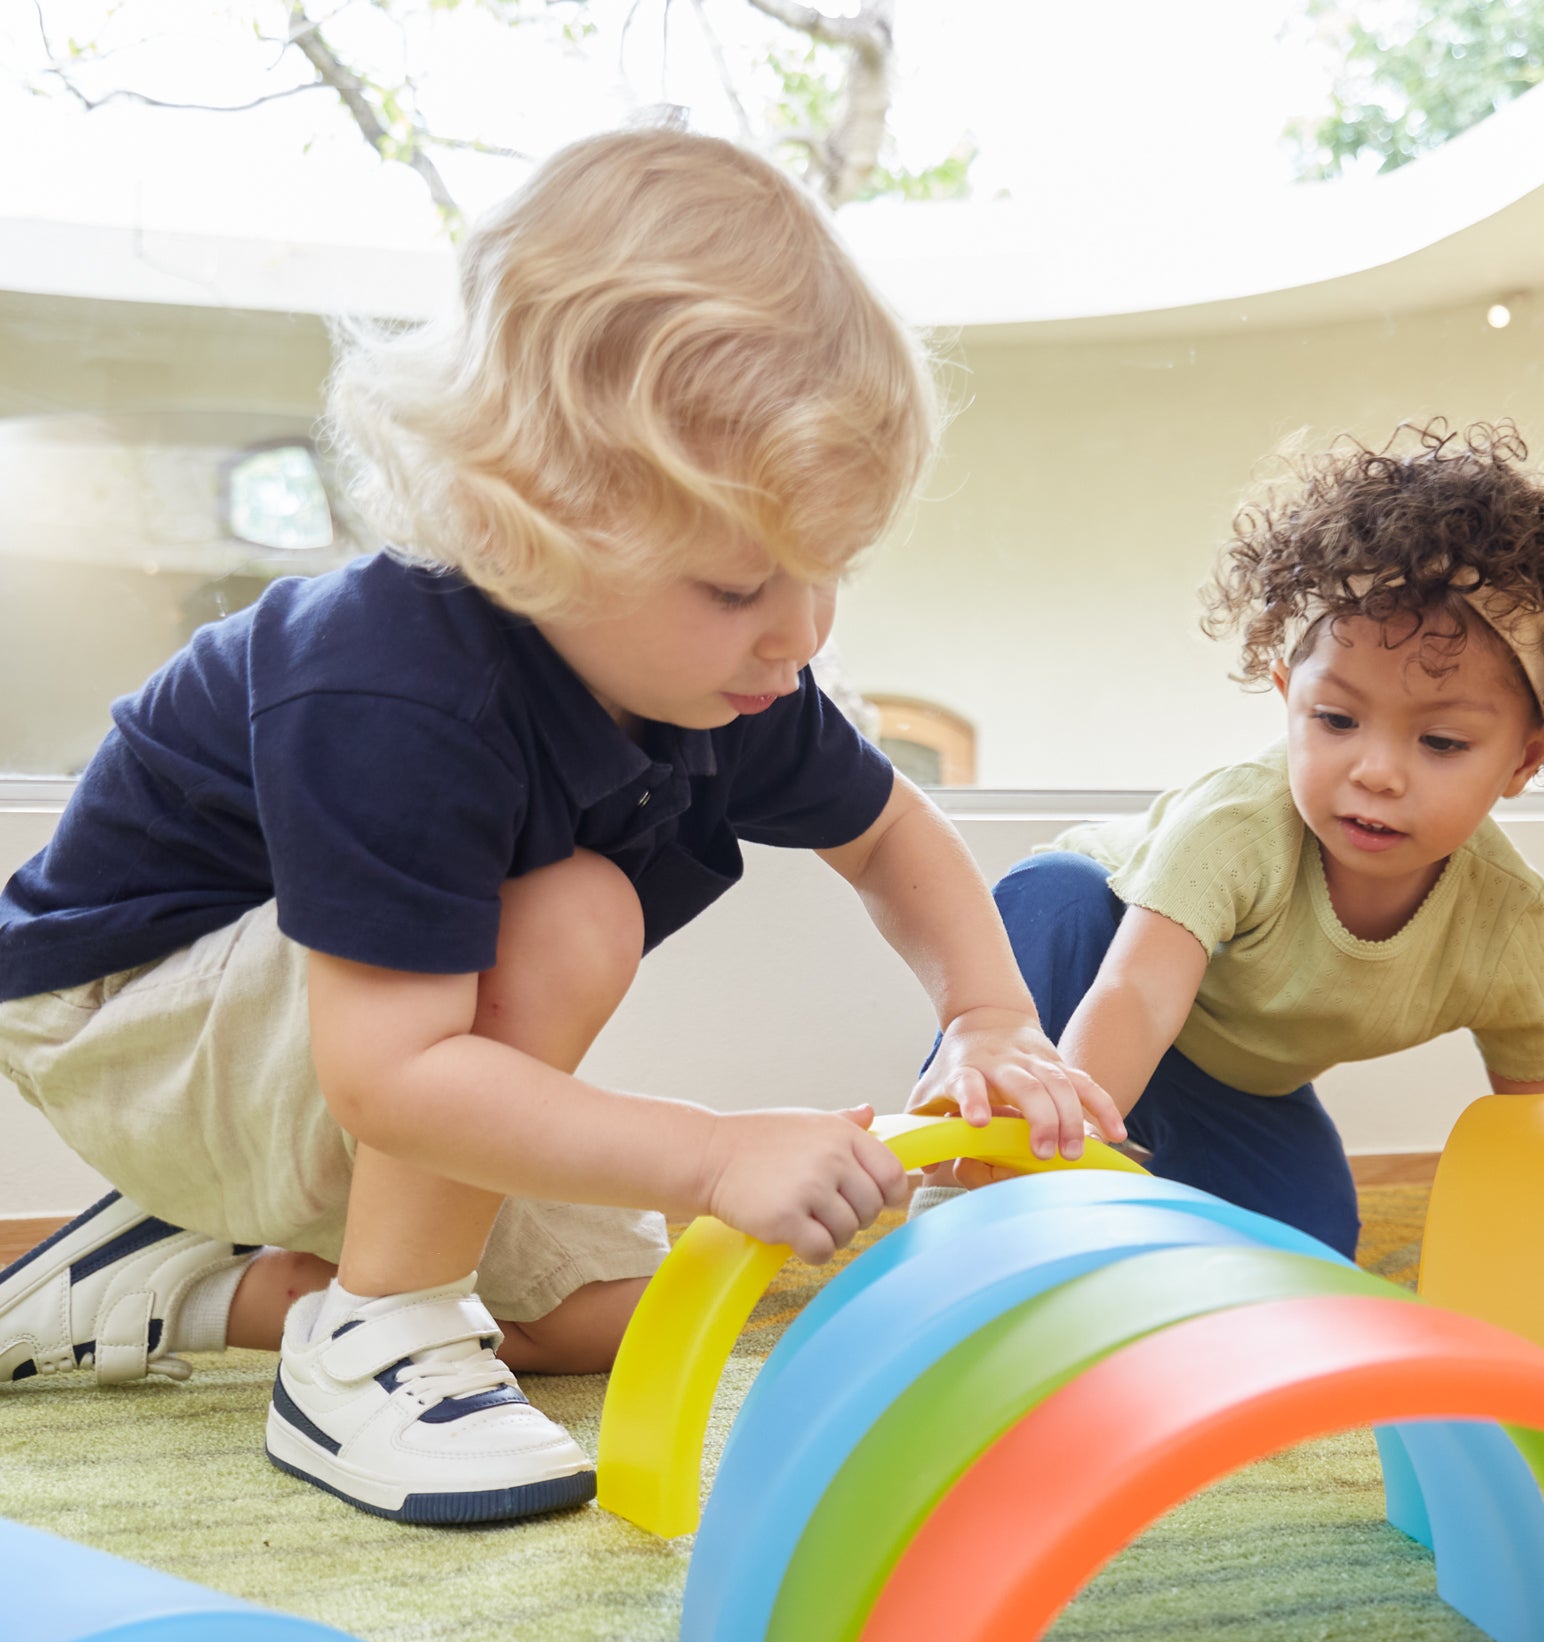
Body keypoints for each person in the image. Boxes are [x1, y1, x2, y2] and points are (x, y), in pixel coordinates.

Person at [0, 123, 1119, 1526]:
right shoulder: (394, 682)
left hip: (320, 1041)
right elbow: (393, 1079)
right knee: (576, 907)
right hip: (122, 1024)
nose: (801, 634)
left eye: (828, 572)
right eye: (736, 585)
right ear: (539, 522)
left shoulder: (739, 679)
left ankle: (190, 1286)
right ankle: (366, 1345)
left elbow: (892, 836)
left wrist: (991, 1021)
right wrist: (715, 1152)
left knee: (618, 1311)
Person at [922, 422, 1544, 1257]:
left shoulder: (1500, 919)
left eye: (1442, 743)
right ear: (1287, 696)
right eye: (1337, 720)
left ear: (1525, 757)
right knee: (1057, 898)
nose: (1377, 772)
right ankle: (962, 1210)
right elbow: (1137, 995)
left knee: (1311, 1255)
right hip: (1098, 978)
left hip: (1237, 1079)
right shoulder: (1238, 826)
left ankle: (1151, 1198)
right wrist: (1060, 1165)